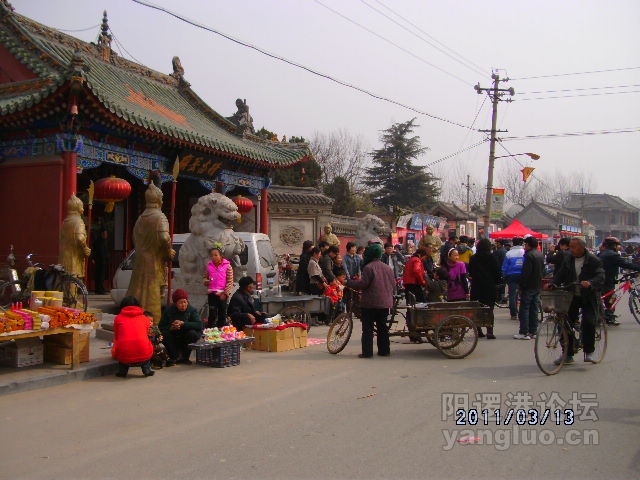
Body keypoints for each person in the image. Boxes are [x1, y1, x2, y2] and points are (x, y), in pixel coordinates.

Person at [126, 183, 174, 323]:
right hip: (154, 263)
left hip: (140, 262)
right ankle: (153, 326)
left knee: (139, 294)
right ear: (159, 200)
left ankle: (136, 321)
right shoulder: (160, 217)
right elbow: (164, 237)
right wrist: (168, 251)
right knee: (153, 297)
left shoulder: (140, 218)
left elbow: (134, 237)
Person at [554, 237, 604, 363]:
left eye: (573, 247)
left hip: (588, 296)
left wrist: (590, 282)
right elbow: (561, 273)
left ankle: (589, 351)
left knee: (588, 322)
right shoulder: (569, 259)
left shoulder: (593, 260)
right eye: (570, 247)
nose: (570, 249)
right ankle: (568, 353)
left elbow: (600, 275)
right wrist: (553, 283)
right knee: (564, 322)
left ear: (582, 248)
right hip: (571, 295)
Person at [346, 243, 395, 358]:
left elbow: (363, 284)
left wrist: (349, 282)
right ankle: (384, 351)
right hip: (385, 303)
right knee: (382, 327)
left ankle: (367, 352)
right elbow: (393, 285)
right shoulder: (388, 268)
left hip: (370, 303)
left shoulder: (369, 268)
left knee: (367, 329)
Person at [599, 236, 640, 325]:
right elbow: (626, 264)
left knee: (610, 297)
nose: (619, 247)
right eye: (617, 245)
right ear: (613, 246)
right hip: (606, 281)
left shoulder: (602, 253)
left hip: (604, 280)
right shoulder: (613, 255)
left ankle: (608, 316)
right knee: (611, 298)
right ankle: (608, 316)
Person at [112, 296, 155, 377]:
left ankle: (122, 371)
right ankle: (146, 369)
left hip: (124, 357)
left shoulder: (118, 318)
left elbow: (117, 337)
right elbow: (147, 334)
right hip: (144, 355)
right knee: (147, 345)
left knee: (121, 348)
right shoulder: (145, 318)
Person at [159, 289, 203, 365]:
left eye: (185, 302)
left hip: (187, 336)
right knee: (164, 334)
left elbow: (200, 325)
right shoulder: (168, 311)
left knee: (192, 333)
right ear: (175, 303)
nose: (183, 305)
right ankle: (174, 357)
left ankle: (185, 357)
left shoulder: (192, 310)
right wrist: (171, 328)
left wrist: (184, 324)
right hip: (174, 336)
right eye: (180, 303)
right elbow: (161, 326)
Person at [468, 239, 500, 339]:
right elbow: (497, 272)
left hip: (476, 286)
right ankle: (489, 331)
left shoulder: (473, 258)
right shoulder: (492, 257)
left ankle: (478, 330)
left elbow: (471, 271)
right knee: (489, 309)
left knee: (477, 309)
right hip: (489, 287)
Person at [514, 237, 544, 340]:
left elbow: (526, 273)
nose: (524, 246)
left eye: (525, 244)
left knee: (524, 309)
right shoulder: (540, 254)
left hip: (528, 286)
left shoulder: (529, 255)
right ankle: (533, 331)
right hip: (537, 285)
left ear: (529, 245)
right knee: (534, 308)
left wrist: (521, 285)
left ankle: (524, 332)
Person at [59, 194, 91, 280]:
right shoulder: (78, 222)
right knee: (73, 286)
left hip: (63, 258)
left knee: (64, 286)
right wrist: (85, 248)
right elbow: (80, 238)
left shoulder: (65, 222)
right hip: (74, 259)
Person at [204, 244, 234, 328]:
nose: (213, 257)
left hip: (222, 294)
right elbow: (205, 277)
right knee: (212, 312)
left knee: (222, 313)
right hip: (212, 293)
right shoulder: (209, 266)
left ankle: (221, 330)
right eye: (212, 255)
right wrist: (206, 281)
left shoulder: (228, 266)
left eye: (216, 255)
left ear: (221, 255)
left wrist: (225, 293)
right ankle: (211, 331)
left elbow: (230, 282)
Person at [502, 236, 525, 321]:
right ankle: (523, 312)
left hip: (511, 276)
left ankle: (513, 314)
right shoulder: (524, 252)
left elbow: (505, 267)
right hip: (523, 276)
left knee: (512, 296)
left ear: (513, 243)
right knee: (523, 295)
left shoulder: (509, 253)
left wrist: (504, 276)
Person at [91, 227, 110, 294]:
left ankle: (99, 289)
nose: (106, 235)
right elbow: (100, 251)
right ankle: (100, 290)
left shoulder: (103, 240)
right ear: (102, 234)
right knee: (100, 276)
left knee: (101, 276)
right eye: (105, 233)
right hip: (100, 261)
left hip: (102, 261)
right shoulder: (99, 241)